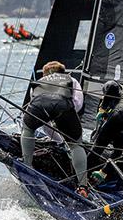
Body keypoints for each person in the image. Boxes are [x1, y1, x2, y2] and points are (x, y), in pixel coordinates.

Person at [21, 61, 89, 197]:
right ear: (62, 71)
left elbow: (33, 102)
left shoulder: (39, 81)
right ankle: (83, 186)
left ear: (46, 73)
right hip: (63, 106)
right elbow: (78, 103)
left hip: (39, 106)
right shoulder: (72, 80)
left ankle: (27, 166)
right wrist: (64, 124)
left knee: (28, 130)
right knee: (76, 145)